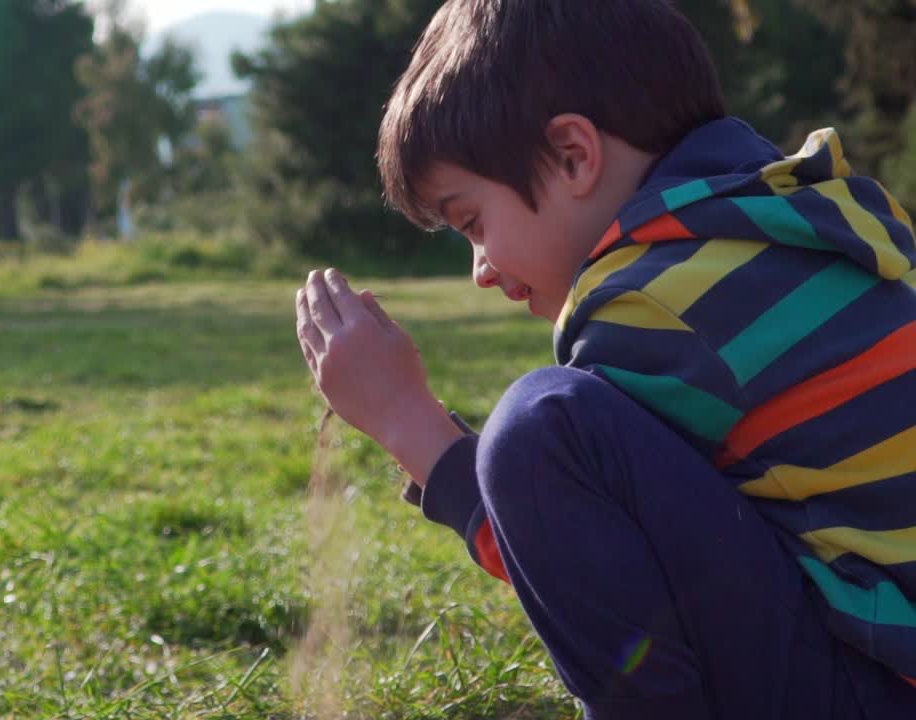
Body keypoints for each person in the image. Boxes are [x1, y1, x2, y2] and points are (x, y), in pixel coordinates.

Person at [293, 1, 916, 718]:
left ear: (572, 156)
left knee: (539, 427)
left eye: (473, 223)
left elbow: (590, 561)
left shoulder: (650, 307)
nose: (482, 269)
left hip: (874, 691)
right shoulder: (775, 232)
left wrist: (409, 422)